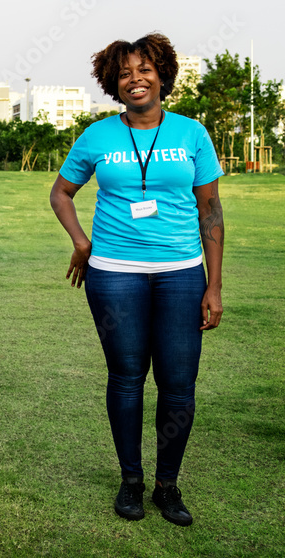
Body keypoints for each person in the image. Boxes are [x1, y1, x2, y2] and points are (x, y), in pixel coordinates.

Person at [49, 32, 224, 526]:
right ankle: (131, 481)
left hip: (181, 274)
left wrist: (213, 284)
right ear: (113, 82)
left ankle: (168, 485)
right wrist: (83, 244)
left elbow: (210, 210)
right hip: (115, 275)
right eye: (124, 72)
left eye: (144, 69)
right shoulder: (98, 135)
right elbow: (61, 193)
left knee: (178, 385)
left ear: (162, 74)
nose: (135, 79)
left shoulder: (192, 134)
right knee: (126, 379)